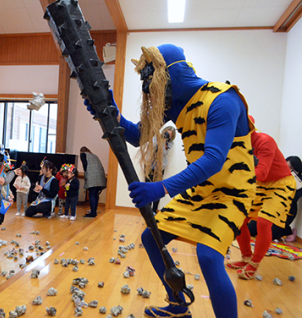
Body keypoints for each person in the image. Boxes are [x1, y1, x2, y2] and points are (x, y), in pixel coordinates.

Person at [86, 44, 256, 318]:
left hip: (232, 192)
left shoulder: (223, 99)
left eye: (154, 82)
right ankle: (178, 306)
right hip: (201, 191)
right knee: (151, 238)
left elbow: (213, 159)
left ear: (171, 72)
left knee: (209, 256)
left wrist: (161, 187)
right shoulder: (178, 106)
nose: (152, 91)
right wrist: (109, 112)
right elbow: (139, 135)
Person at [226, 118, 295, 279]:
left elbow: (262, 172)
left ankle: (254, 264)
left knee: (264, 222)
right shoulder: (237, 146)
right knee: (239, 219)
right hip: (260, 184)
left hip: (281, 183)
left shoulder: (265, 141)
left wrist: (235, 175)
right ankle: (246, 258)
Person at [248, 156, 302, 241]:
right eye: (287, 167)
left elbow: (294, 198)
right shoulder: (277, 175)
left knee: (268, 235)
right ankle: (287, 231)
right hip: (269, 209)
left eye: (291, 169)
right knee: (250, 230)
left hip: (285, 213)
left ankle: (287, 230)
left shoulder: (299, 183)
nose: (289, 171)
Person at [145, 126, 176, 212]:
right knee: (148, 188)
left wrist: (164, 142)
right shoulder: (155, 137)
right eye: (166, 133)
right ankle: (147, 211)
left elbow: (163, 154)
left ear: (171, 137)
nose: (166, 136)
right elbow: (151, 148)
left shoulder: (170, 144)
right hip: (149, 166)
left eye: (169, 135)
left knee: (157, 189)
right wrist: (159, 139)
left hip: (159, 168)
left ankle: (154, 210)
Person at [0, 160, 15, 248]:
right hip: (0, 199)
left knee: (1, 219)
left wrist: (11, 194)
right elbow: (1, 188)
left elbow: (7, 186)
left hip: (5, 200)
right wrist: (7, 196)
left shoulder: (5, 175)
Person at [80, 147, 107, 218]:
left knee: (92, 195)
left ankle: (92, 213)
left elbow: (85, 165)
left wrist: (86, 173)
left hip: (92, 177)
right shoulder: (94, 155)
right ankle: (94, 210)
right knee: (95, 195)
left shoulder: (83, 154)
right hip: (100, 177)